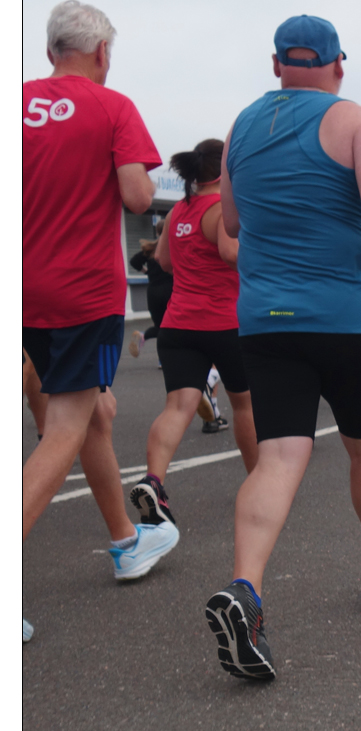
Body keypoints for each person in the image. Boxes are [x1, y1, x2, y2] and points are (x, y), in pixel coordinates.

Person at [206, 14, 361, 681]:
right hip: (351, 317)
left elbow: (233, 221)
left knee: (277, 457)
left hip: (267, 321)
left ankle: (246, 589)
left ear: (277, 65)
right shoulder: (360, 122)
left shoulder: (241, 127)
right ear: (338, 65)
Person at [23, 0, 180, 620]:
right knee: (66, 425)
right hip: (81, 292)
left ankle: (124, 543)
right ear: (102, 54)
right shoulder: (113, 107)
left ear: (49, 52)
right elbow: (138, 193)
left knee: (94, 414)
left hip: (23, 290)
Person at [129, 140, 258, 528]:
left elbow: (164, 261)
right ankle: (258, 485)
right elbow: (230, 253)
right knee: (245, 406)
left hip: (178, 324)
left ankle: (154, 481)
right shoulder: (221, 208)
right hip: (225, 323)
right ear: (225, 171)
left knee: (177, 408)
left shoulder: (178, 211)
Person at [128, 218, 173, 358]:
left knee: (160, 326)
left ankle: (146, 339)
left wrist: (146, 272)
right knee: (172, 326)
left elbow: (134, 261)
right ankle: (165, 356)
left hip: (153, 293)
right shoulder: (173, 245)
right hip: (170, 291)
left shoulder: (152, 248)